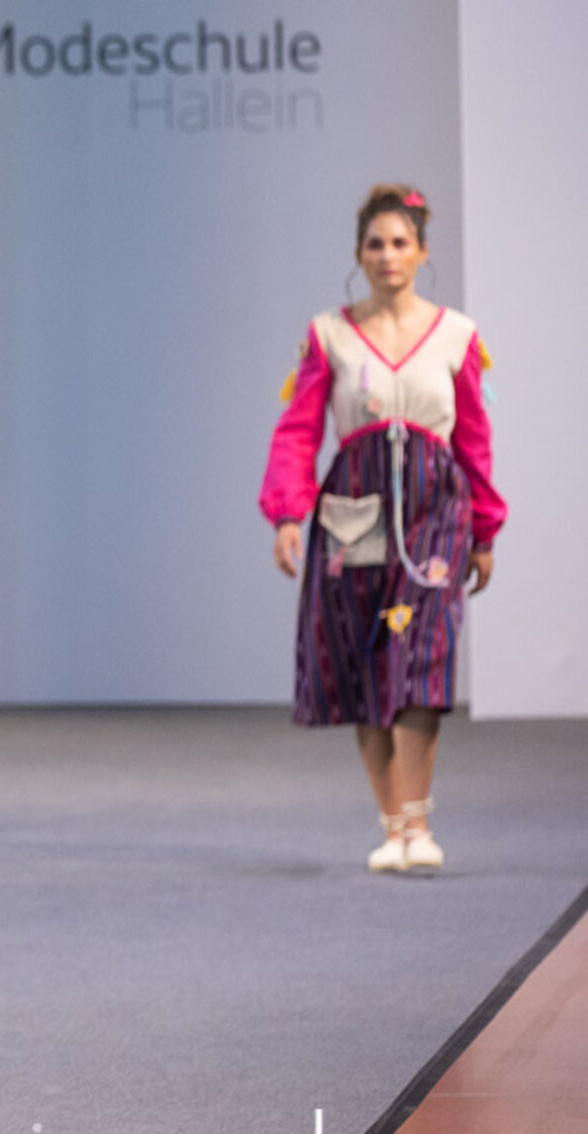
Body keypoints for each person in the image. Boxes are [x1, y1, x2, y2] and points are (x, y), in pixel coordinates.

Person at [260, 184, 506, 875]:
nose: (388, 255)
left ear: (422, 251)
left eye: (401, 242)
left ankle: (419, 824)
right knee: (365, 658)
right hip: (354, 511)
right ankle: (392, 827)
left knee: (421, 655)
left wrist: (485, 529)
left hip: (435, 509)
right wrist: (288, 512)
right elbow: (298, 429)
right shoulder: (329, 334)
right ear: (358, 254)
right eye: (376, 244)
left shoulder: (456, 335)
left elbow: (474, 437)